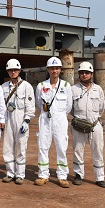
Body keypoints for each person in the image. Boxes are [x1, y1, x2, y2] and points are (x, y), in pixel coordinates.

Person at [34, 56, 73, 188]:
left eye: (57, 68)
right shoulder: (41, 86)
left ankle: (62, 176)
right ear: (48, 70)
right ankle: (43, 175)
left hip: (60, 119)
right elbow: (38, 103)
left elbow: (69, 106)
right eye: (52, 68)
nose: (54, 71)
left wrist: (59, 115)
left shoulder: (66, 86)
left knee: (61, 147)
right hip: (45, 119)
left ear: (60, 70)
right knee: (43, 147)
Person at [71, 62, 105, 188]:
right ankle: (78, 175)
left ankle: (100, 177)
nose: (84, 75)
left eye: (87, 73)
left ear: (91, 74)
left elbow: (102, 107)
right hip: (79, 124)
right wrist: (79, 118)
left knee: (98, 150)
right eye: (82, 73)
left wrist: (94, 117)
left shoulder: (98, 89)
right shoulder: (73, 89)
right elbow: (70, 108)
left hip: (95, 124)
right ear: (79, 74)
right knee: (78, 150)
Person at [1, 59, 35, 185]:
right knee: (7, 147)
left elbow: (30, 106)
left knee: (21, 148)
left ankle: (20, 174)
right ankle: (10, 173)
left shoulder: (26, 86)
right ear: (7, 71)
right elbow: (1, 106)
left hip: (21, 121)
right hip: (8, 120)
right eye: (10, 70)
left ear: (19, 71)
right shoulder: (4, 87)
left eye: (15, 70)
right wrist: (2, 120)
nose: (13, 72)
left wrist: (26, 121)